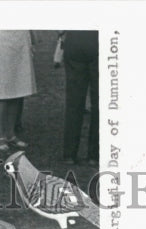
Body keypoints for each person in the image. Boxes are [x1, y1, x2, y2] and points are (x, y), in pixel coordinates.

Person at [0, 30, 36, 154]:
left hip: (21, 41)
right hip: (3, 42)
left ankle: (10, 134)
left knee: (17, 90)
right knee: (1, 92)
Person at [61, 30, 99, 165]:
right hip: (98, 41)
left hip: (75, 41)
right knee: (99, 102)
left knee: (74, 102)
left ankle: (69, 154)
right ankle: (94, 155)